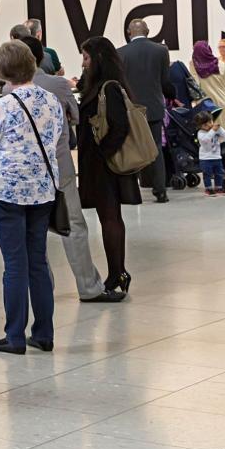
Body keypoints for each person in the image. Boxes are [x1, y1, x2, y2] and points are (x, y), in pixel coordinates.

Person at [14, 37, 120, 304]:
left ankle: (41, 289)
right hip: (59, 167)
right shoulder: (58, 85)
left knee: (30, 233)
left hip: (24, 173)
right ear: (40, 58)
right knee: (73, 226)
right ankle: (89, 287)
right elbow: (74, 116)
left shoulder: (6, 91)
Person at [0, 40, 61, 354]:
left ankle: (14, 335)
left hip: (7, 190)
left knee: (14, 263)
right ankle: (44, 333)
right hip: (42, 189)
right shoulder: (51, 101)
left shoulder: (1, 105)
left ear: (2, 71)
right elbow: (55, 137)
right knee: (38, 260)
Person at [77, 36, 142, 298]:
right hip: (99, 163)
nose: (83, 62)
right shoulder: (98, 85)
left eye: (86, 57)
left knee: (110, 217)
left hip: (106, 165)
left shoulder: (110, 87)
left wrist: (102, 154)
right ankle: (116, 271)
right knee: (108, 218)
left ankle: (118, 272)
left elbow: (119, 127)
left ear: (98, 59)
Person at [118, 19, 175, 203]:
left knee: (131, 148)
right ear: (148, 31)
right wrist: (171, 95)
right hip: (154, 107)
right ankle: (160, 191)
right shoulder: (161, 50)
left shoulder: (120, 53)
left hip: (130, 109)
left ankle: (131, 192)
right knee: (156, 147)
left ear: (128, 32)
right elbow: (165, 81)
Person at [190, 40, 225, 146]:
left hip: (207, 107)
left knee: (210, 143)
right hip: (224, 104)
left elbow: (196, 85)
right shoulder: (220, 64)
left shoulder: (194, 65)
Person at [194, 111, 225, 196]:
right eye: (205, 125)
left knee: (219, 173)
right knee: (207, 174)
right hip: (206, 158)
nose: (209, 125)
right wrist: (213, 130)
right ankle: (208, 188)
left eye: (210, 122)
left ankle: (218, 187)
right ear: (200, 126)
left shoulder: (214, 130)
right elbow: (206, 140)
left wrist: (219, 129)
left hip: (217, 156)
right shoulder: (201, 133)